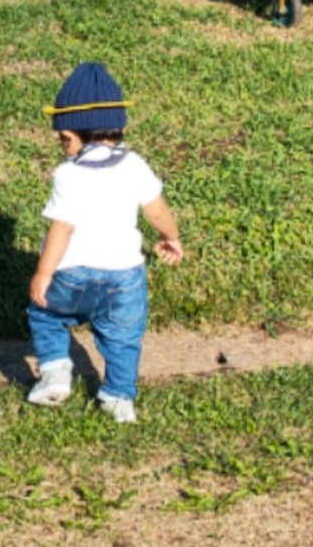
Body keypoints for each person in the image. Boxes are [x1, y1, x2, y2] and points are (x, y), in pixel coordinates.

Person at [26, 61, 183, 423]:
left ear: (71, 133)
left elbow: (61, 228)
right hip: (124, 276)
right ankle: (118, 399)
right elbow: (157, 210)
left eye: (63, 137)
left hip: (70, 275)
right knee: (124, 338)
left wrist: (42, 273)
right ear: (121, 126)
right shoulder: (134, 165)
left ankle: (55, 372)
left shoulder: (68, 174)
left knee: (45, 314)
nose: (60, 143)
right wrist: (170, 237)